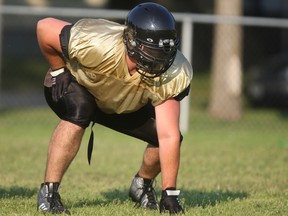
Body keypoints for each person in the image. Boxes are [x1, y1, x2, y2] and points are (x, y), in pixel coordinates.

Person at [36, 2, 192, 215]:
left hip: (123, 103)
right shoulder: (97, 43)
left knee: (164, 137)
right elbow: (44, 27)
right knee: (80, 109)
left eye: (164, 49)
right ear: (130, 41)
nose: (159, 57)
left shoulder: (173, 70)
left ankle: (142, 186)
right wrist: (58, 69)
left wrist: (170, 193)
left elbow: (168, 136)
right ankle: (49, 193)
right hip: (79, 86)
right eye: (151, 48)